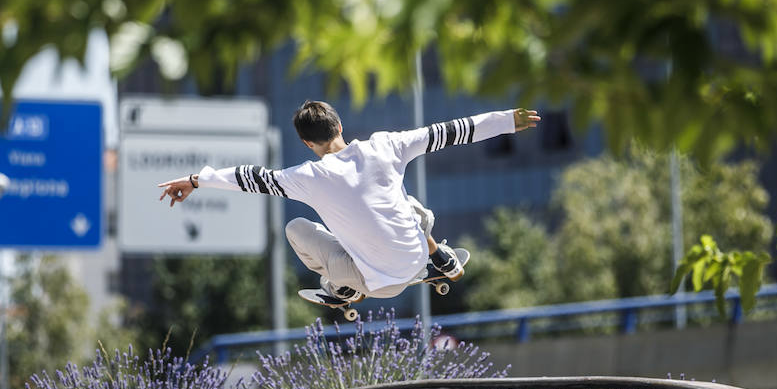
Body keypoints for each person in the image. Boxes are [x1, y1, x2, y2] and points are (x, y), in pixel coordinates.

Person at [158, 101, 540, 303]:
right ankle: (440, 256)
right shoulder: (386, 145)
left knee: (296, 229)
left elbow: (248, 178)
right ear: (340, 127)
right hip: (415, 259)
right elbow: (453, 131)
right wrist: (509, 119)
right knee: (407, 205)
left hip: (379, 284)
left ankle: (341, 288)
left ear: (307, 143)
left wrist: (196, 180)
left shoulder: (305, 177)